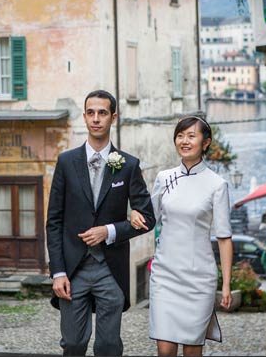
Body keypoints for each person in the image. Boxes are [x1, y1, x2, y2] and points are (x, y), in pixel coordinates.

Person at [46, 90, 156, 356]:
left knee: (108, 346)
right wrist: (58, 272)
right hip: (73, 270)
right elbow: (54, 221)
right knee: (73, 344)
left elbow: (148, 218)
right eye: (91, 113)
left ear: (113, 117)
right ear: (84, 117)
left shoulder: (128, 165)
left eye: (102, 113)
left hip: (111, 269)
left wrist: (110, 230)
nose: (96, 119)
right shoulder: (66, 162)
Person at [131, 116, 234, 357]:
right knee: (165, 350)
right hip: (165, 275)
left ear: (205, 142)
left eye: (191, 136)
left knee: (192, 349)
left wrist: (226, 284)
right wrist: (134, 213)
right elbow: (148, 217)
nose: (184, 141)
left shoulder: (217, 185)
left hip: (199, 279)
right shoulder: (164, 178)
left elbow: (224, 237)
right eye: (180, 135)